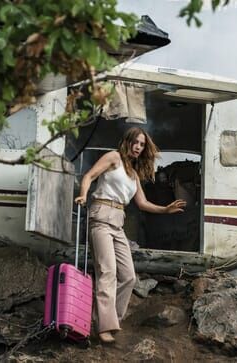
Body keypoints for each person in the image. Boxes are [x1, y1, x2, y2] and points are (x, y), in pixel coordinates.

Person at [74, 127, 186, 344]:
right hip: (101, 216)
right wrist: (82, 195)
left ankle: (112, 320)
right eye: (136, 142)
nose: (138, 147)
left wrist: (165, 209)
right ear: (127, 142)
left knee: (129, 276)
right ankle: (104, 327)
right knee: (107, 272)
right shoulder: (113, 157)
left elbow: (142, 204)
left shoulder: (133, 175)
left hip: (118, 223)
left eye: (142, 144)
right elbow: (89, 175)